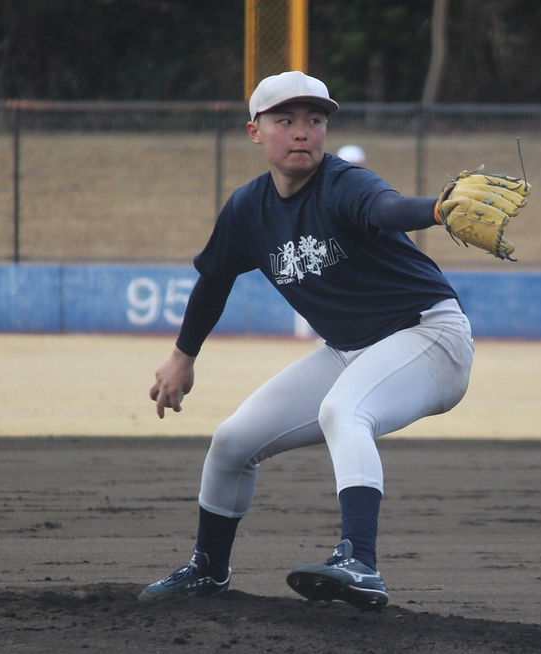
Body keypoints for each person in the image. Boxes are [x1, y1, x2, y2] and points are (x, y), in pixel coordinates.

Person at [137, 70, 477, 612]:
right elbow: (215, 278)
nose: (303, 132)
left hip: (430, 337)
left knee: (344, 410)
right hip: (349, 350)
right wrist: (183, 355)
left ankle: (360, 562)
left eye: (314, 121)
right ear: (255, 132)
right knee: (232, 441)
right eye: (286, 120)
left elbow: (387, 209)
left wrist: (435, 210)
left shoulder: (345, 184)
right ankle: (208, 569)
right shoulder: (249, 209)